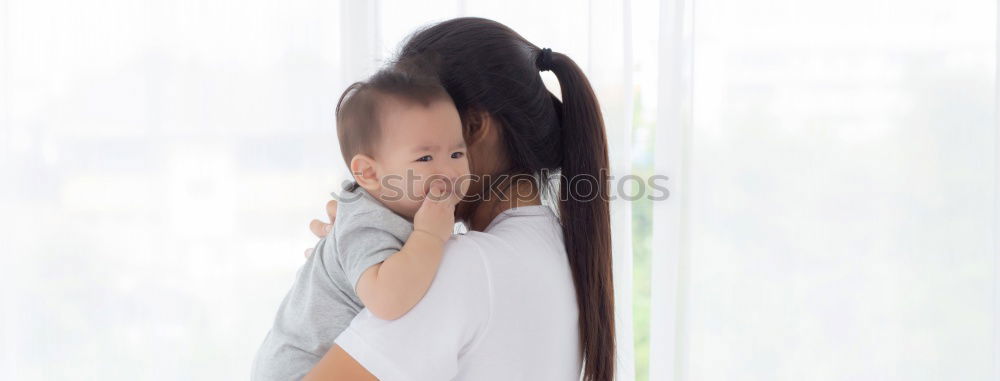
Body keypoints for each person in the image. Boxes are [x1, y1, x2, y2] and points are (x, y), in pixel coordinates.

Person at [303, 17, 617, 381]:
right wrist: (360, 253)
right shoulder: (562, 249)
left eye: (420, 148)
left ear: (472, 129)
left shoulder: (460, 266)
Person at [252, 66, 469, 380]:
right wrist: (429, 236)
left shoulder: (403, 211)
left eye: (457, 153)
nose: (449, 171)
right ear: (368, 173)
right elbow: (388, 300)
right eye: (424, 159)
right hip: (301, 370)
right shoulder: (364, 221)